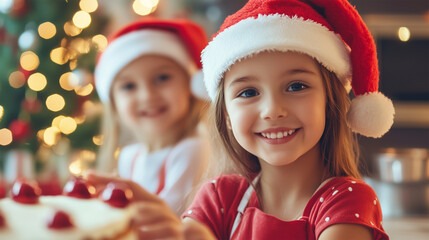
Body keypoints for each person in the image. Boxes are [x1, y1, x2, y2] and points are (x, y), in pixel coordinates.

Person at [87, 0, 395, 239]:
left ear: (330, 102)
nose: (272, 110)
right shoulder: (218, 197)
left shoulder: (347, 201)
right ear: (227, 117)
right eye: (248, 92)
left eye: (296, 86)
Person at [92, 18, 210, 215]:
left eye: (162, 78)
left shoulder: (193, 149)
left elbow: (169, 217)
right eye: (129, 86)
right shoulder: (129, 157)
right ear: (114, 104)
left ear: (190, 85)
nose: (147, 96)